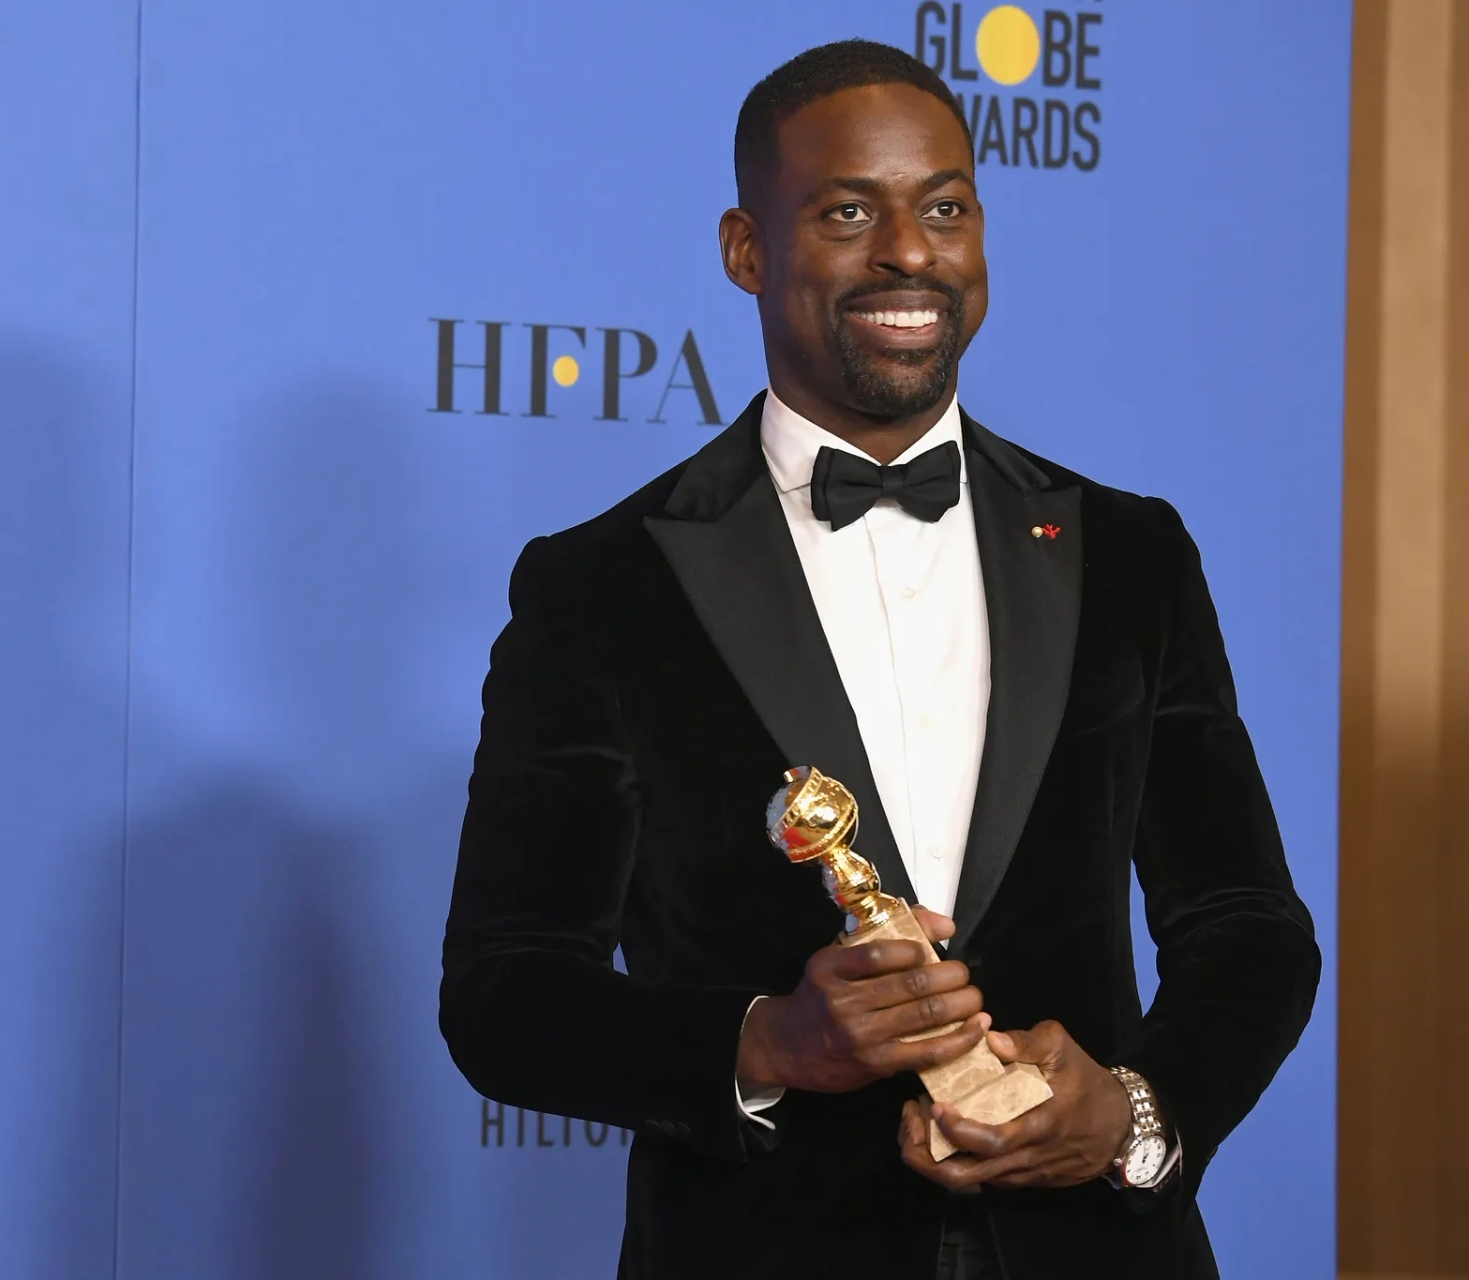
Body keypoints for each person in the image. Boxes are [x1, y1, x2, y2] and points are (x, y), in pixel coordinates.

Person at [438, 38, 1320, 1280]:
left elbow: (1250, 927)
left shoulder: (1132, 552)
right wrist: (765, 1040)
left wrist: (1134, 1110)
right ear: (748, 249)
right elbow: (503, 992)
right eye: (849, 211)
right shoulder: (601, 586)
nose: (910, 252)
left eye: (945, 208)